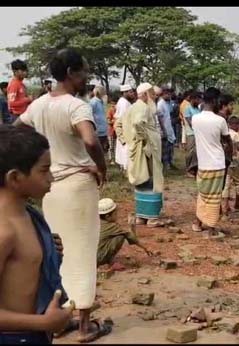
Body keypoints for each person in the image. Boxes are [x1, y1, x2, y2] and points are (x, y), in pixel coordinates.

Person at [13, 48, 111, 343]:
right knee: (82, 252)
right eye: (83, 71)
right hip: (78, 186)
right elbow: (90, 139)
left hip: (51, 187)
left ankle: (59, 317)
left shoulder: (40, 105)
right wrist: (100, 165)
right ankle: (84, 326)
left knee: (58, 253)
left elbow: (16, 129)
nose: (86, 77)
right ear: (71, 73)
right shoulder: (76, 106)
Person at [0, 125, 74, 344]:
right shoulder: (5, 232)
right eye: (44, 170)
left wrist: (46, 248)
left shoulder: (28, 214)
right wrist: (43, 323)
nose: (51, 177)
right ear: (15, 178)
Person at [115, 83, 165, 228]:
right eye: (152, 94)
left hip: (137, 151)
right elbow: (138, 123)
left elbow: (118, 124)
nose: (154, 97)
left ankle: (141, 216)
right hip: (146, 152)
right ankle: (152, 219)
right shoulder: (143, 107)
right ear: (145, 94)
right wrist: (144, 141)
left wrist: (126, 141)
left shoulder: (132, 108)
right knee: (151, 181)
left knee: (141, 181)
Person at [191, 87, 232, 234]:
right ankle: (211, 227)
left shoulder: (195, 119)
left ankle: (198, 223)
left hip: (203, 163)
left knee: (203, 194)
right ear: (214, 101)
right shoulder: (220, 121)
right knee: (215, 197)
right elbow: (227, 141)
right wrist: (230, 157)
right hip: (217, 162)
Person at [97, 198, 153, 268]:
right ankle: (107, 261)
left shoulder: (95, 222)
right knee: (120, 236)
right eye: (115, 213)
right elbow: (130, 235)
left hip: (88, 258)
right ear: (107, 216)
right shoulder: (112, 227)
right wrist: (146, 248)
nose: (117, 215)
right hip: (98, 259)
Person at [221, 116, 239, 215]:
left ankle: (225, 206)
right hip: (234, 160)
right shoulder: (235, 135)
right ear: (234, 125)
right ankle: (237, 203)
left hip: (224, 161)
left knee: (226, 183)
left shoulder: (224, 133)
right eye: (238, 125)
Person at [114, 85, 136, 171]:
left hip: (126, 130)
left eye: (132, 91)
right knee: (125, 150)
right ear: (124, 93)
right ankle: (126, 169)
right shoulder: (124, 103)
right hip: (124, 130)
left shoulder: (126, 102)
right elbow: (123, 120)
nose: (132, 93)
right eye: (130, 92)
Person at [7, 59, 32, 124]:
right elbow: (11, 103)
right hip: (16, 116)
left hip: (23, 115)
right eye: (22, 70)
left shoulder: (21, 84)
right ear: (15, 71)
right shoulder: (14, 84)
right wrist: (27, 99)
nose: (25, 73)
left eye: (25, 71)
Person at [157, 88, 176, 170]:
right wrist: (163, 130)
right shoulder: (160, 104)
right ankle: (165, 165)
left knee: (170, 148)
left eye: (169, 94)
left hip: (169, 127)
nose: (169, 96)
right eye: (167, 94)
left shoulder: (167, 103)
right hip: (164, 128)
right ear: (163, 94)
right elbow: (160, 118)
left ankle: (170, 162)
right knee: (165, 148)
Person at [184, 91, 201, 177]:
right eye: (197, 99)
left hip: (198, 133)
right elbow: (189, 121)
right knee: (190, 152)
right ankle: (188, 169)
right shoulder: (188, 108)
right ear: (193, 99)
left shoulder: (198, 109)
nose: (199, 101)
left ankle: (193, 168)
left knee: (196, 152)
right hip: (191, 133)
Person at [89, 86, 109, 154]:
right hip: (97, 131)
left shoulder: (102, 102)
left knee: (104, 150)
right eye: (103, 91)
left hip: (103, 130)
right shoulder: (93, 102)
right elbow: (90, 114)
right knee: (98, 151)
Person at [106, 96, 118, 164]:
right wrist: (114, 121)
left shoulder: (118, 110)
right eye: (112, 104)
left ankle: (116, 159)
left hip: (117, 132)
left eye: (115, 104)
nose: (114, 105)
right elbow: (108, 121)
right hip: (111, 131)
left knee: (116, 146)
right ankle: (111, 159)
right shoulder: (110, 110)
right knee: (111, 146)